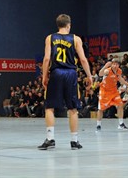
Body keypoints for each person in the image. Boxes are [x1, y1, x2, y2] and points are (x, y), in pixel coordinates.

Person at [38, 14, 92, 150]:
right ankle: (74, 141)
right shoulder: (76, 39)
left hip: (56, 73)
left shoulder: (50, 38)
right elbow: (83, 59)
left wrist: (44, 76)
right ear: (69, 25)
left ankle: (50, 139)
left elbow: (46, 59)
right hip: (71, 73)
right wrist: (89, 76)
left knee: (50, 107)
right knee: (73, 108)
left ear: (58, 25)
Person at [96, 58, 128, 131]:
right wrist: (105, 66)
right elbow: (100, 74)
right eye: (114, 64)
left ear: (118, 65)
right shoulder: (107, 70)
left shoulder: (119, 71)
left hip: (114, 91)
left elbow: (120, 79)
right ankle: (98, 125)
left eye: (117, 64)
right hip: (104, 91)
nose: (115, 65)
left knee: (120, 105)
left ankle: (121, 124)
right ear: (111, 64)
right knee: (101, 109)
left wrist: (127, 84)